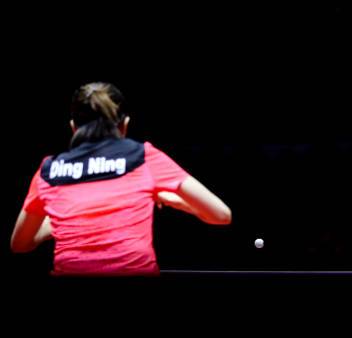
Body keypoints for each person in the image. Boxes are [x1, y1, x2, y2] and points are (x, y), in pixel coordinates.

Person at [11, 82, 231, 276]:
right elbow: (221, 215)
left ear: (73, 127)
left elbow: (20, 244)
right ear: (124, 125)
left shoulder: (50, 170)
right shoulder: (143, 157)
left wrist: (58, 221)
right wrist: (174, 200)